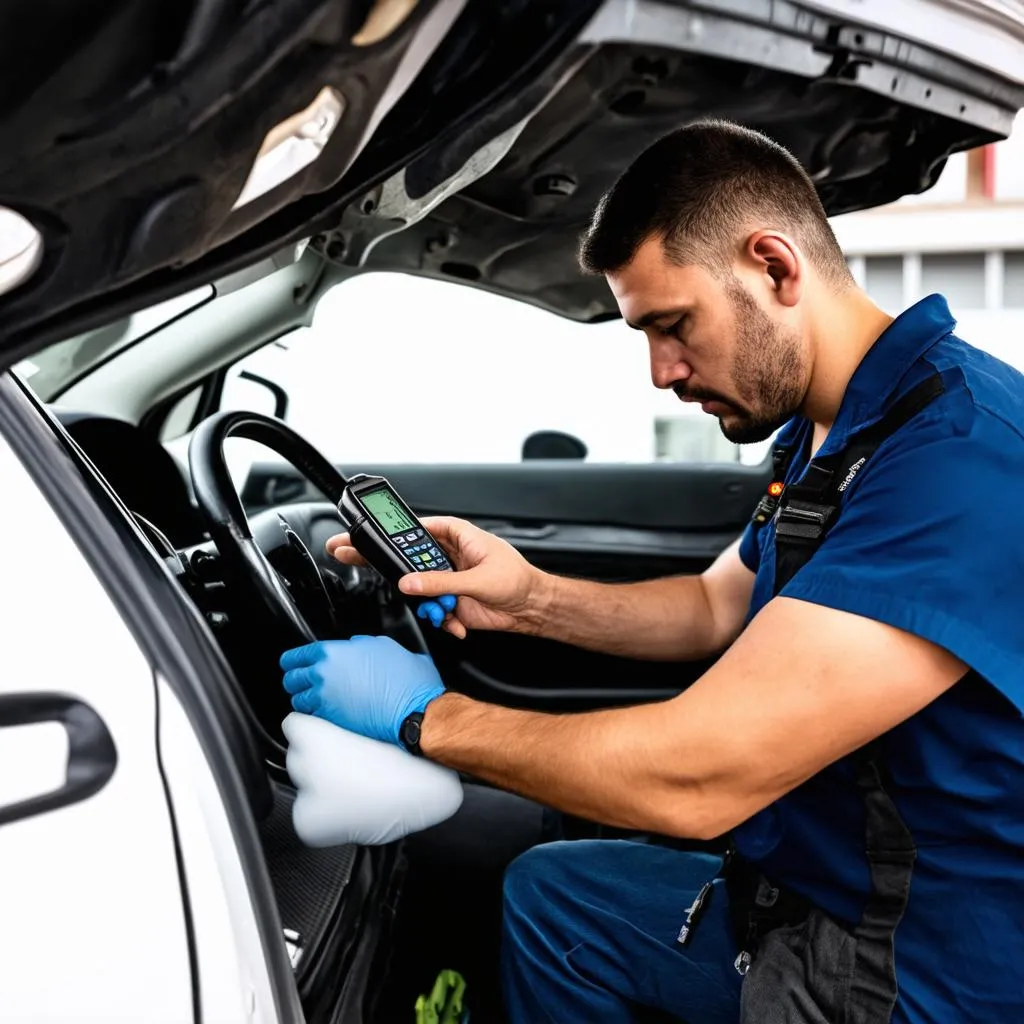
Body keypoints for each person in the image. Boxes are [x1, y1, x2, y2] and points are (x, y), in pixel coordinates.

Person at [278, 120, 1024, 1022]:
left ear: (774, 268)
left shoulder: (956, 457)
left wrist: (424, 721)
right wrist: (529, 598)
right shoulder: (844, 424)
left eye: (673, 326)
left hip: (914, 966)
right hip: (804, 890)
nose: (661, 372)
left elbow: (697, 778)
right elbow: (717, 604)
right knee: (559, 902)